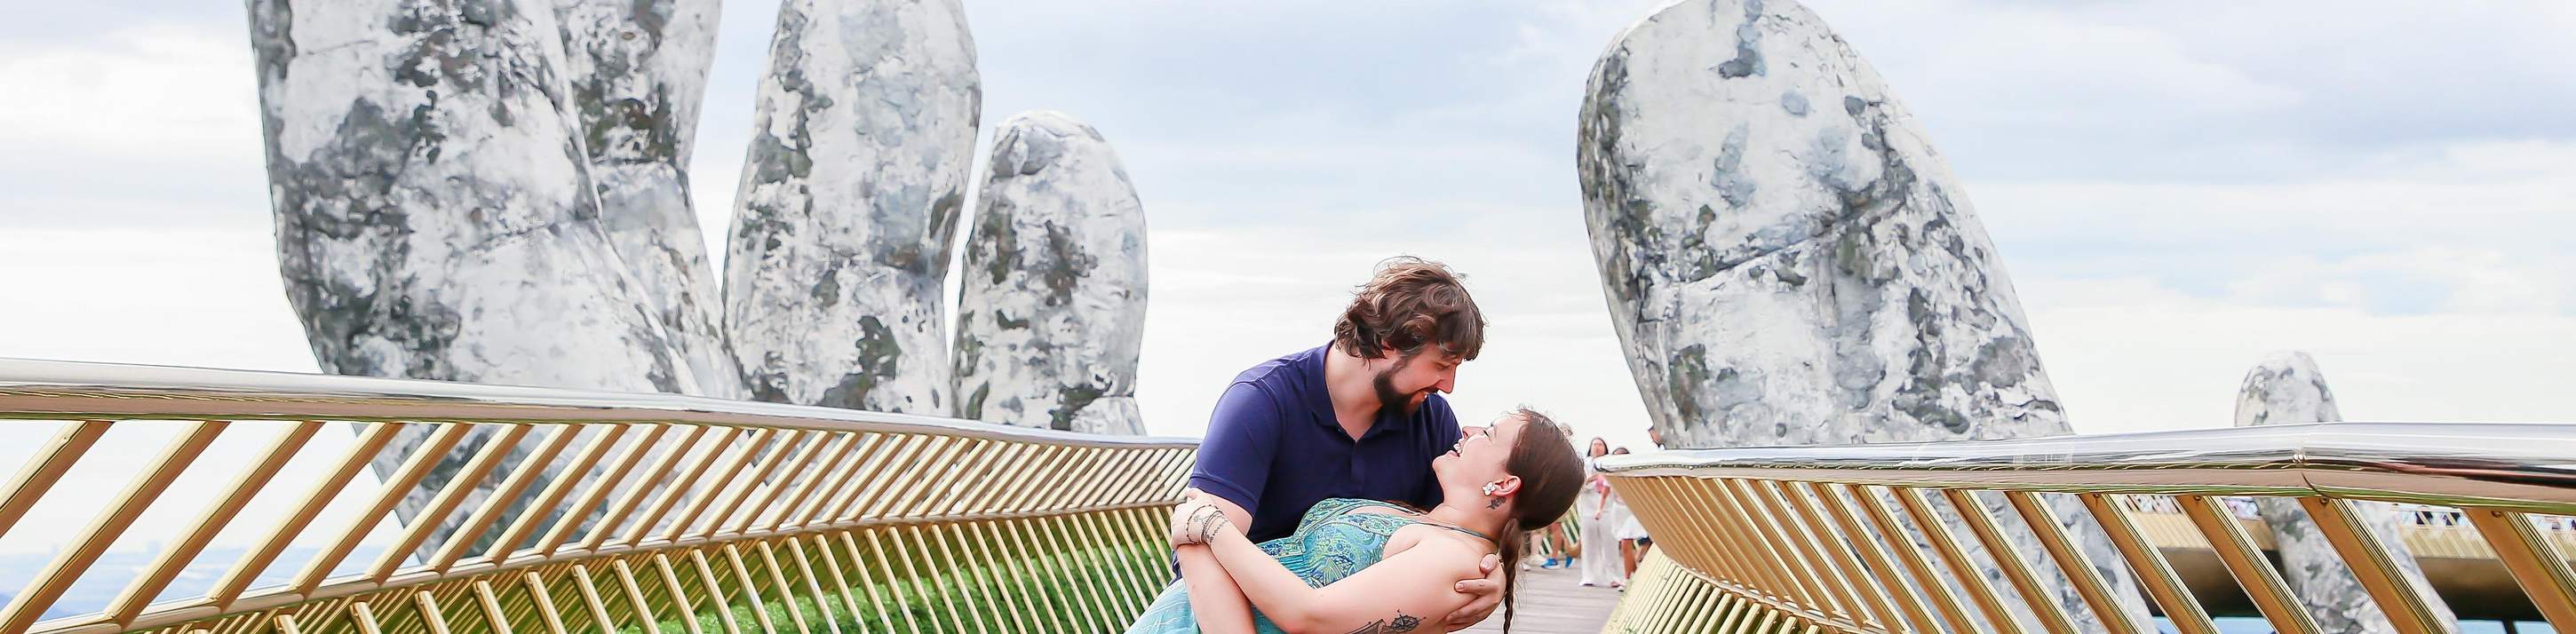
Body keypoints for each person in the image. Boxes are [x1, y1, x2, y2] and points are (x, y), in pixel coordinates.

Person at [1181, 257, 1505, 630]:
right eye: (1442, 364)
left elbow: (1453, 535)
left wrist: (1489, 573)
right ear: (1389, 342)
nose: (1447, 385)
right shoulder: (1261, 401)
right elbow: (1198, 541)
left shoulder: (1431, 420)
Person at [1129, 408, 1586, 633]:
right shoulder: (1432, 527)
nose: (1467, 431)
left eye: (1488, 434)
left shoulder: (1455, 561)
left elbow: (1310, 616)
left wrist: (1211, 530)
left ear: (1505, 485)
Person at [1575, 438, 1623, 587]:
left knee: (1610, 544)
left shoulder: (1609, 463)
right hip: (1588, 509)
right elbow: (1579, 486)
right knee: (1589, 545)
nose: (1597, 447)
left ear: (1605, 448)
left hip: (1607, 509)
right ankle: (1589, 576)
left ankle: (1613, 576)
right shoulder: (1584, 464)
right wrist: (1590, 480)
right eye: (1595, 444)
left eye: (1600, 444)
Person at [1608, 447, 1650, 580]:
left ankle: (1626, 579)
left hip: (1631, 511)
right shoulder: (1610, 475)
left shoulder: (1634, 475)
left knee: (1626, 543)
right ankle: (1635, 575)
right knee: (1624, 545)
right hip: (1618, 511)